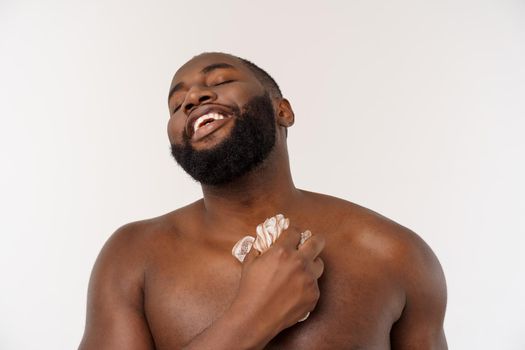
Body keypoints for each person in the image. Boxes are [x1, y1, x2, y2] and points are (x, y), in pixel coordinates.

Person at [79, 52, 448, 349]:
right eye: (177, 104)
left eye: (220, 81)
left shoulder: (396, 254)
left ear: (282, 111)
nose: (192, 99)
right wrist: (250, 317)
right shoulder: (132, 257)